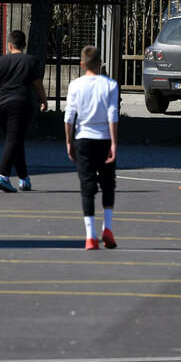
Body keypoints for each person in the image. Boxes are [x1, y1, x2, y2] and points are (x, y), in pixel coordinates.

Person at [64, 46, 120, 250]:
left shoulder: (75, 85)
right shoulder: (110, 85)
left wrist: (69, 141)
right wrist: (114, 142)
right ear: (100, 63)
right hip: (104, 138)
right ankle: (108, 227)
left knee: (87, 187)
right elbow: (113, 115)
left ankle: (90, 235)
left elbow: (69, 116)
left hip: (83, 139)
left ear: (82, 64)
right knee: (108, 184)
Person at [0, 30, 47, 193]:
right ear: (24, 45)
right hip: (20, 104)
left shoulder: (0, 61)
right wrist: (43, 101)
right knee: (14, 140)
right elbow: (37, 84)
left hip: (0, 106)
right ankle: (2, 176)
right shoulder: (31, 61)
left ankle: (24, 179)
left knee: (15, 140)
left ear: (9, 45)